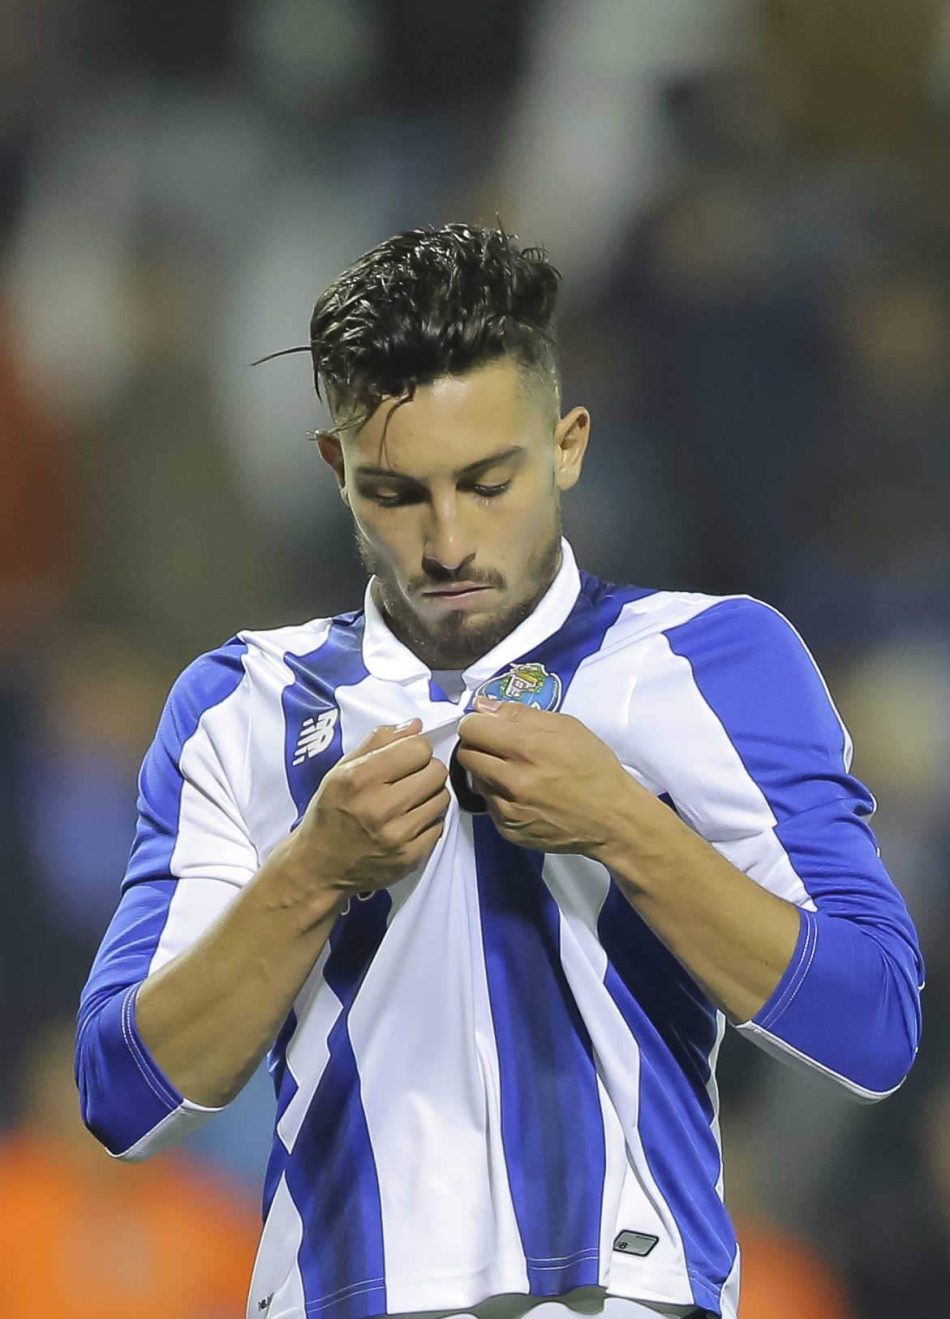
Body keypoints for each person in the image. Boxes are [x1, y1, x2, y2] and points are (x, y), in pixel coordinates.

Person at [76, 224, 923, 1319]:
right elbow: (123, 1096)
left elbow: (872, 1024)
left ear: (567, 444)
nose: (445, 543)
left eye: (487, 483)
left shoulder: (713, 659)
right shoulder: (238, 703)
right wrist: (311, 871)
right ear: (335, 470)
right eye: (395, 493)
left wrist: (625, 824)